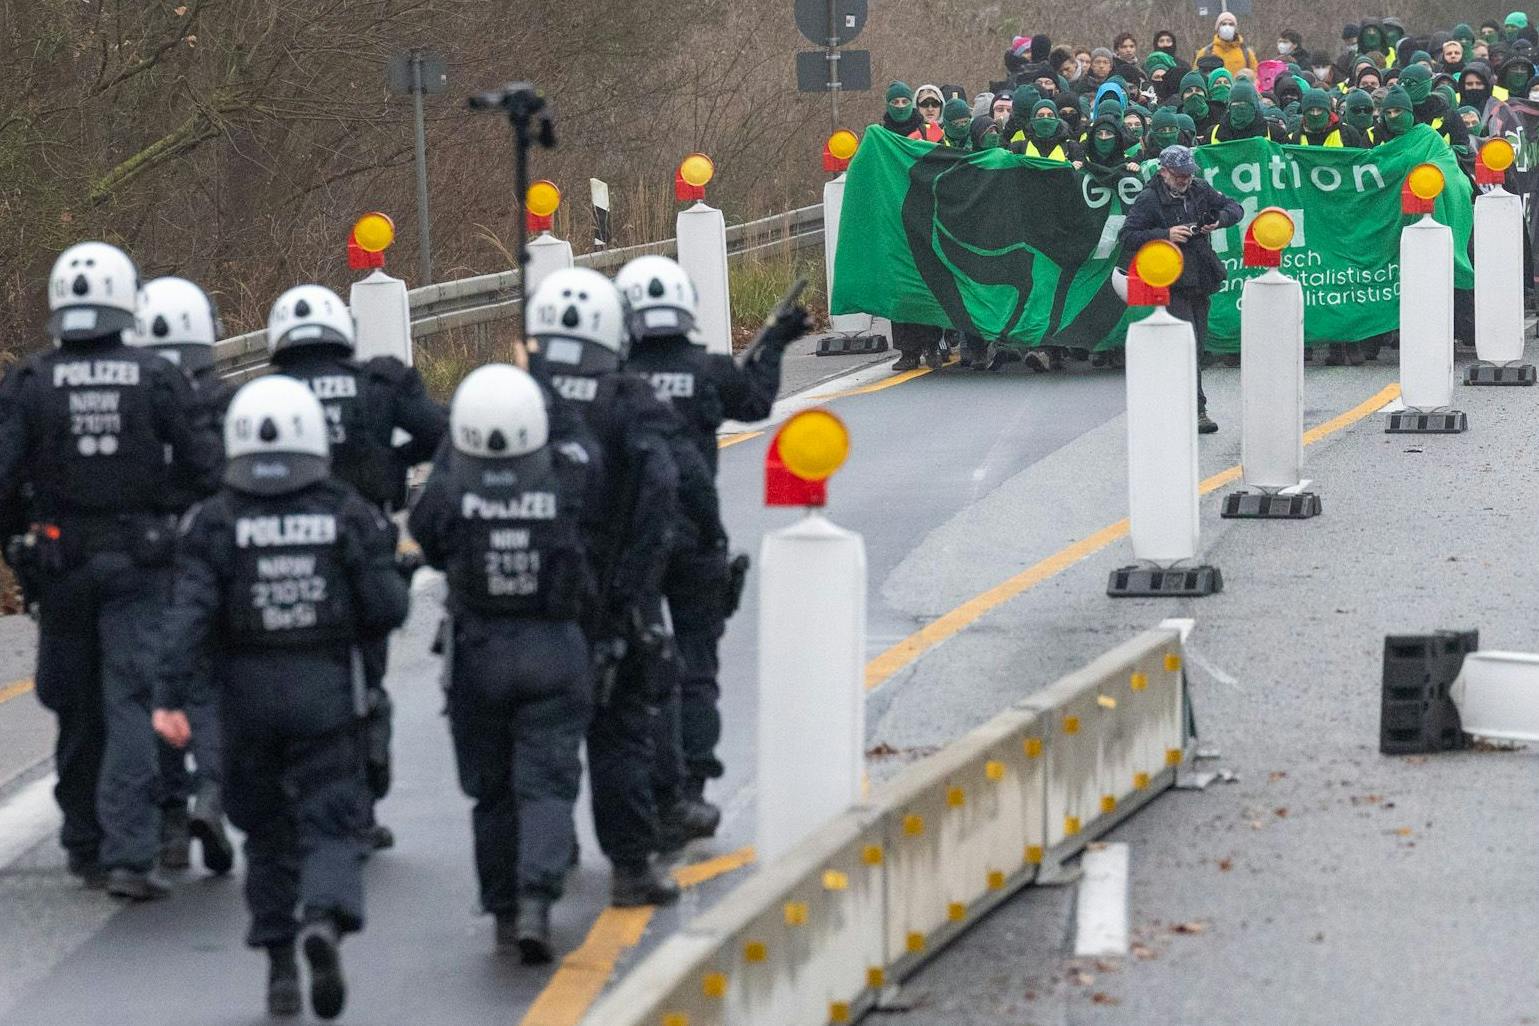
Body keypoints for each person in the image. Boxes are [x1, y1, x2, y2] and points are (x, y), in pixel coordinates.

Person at [153, 375, 409, 1019]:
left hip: (244, 707)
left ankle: (279, 968)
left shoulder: (213, 521)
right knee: (331, 820)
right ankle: (325, 919)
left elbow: (187, 616)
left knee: (266, 835)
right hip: (327, 698)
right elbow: (386, 607)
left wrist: (168, 697)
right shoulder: (343, 510)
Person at [0, 242, 222, 900]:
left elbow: (3, 481)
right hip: (140, 561)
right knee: (130, 699)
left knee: (74, 700)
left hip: (60, 561)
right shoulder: (155, 376)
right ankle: (130, 854)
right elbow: (204, 465)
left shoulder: (30, 382)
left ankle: (84, 841)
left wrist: (17, 546)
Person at [407, 364, 597, 963]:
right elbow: (595, 475)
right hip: (554, 648)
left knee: (491, 793)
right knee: (545, 783)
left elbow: (424, 531)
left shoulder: (454, 487)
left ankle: (503, 909)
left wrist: (450, 455)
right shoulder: (563, 476)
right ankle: (538, 901)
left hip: (478, 655)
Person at [617, 255, 807, 843]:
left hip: (633, 539)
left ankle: (658, 787)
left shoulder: (615, 380)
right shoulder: (708, 370)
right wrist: (774, 340)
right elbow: (754, 401)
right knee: (698, 667)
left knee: (642, 666)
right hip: (697, 531)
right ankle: (693, 786)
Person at [523, 266, 686, 907]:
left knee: (538, 741)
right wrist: (635, 595)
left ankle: (543, 860)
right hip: (611, 595)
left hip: (531, 604)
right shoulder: (628, 400)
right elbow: (664, 494)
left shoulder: (513, 396)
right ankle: (629, 868)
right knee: (619, 735)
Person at [266, 283, 447, 852]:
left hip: (281, 549)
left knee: (278, 674)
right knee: (365, 677)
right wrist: (394, 461)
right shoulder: (377, 383)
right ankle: (360, 808)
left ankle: (282, 804)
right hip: (365, 550)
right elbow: (441, 434)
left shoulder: (267, 394)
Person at [125, 276, 236, 877]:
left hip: (145, 559)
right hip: (209, 555)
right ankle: (211, 793)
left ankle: (170, 819)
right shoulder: (227, 402)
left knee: (157, 682)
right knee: (208, 681)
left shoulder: (132, 398)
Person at [1119, 146, 1243, 435]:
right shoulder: (1150, 199)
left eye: (1188, 174)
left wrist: (1217, 220)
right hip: (1171, 280)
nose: (1185, 179)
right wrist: (1166, 235)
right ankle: (1194, 410)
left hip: (1200, 275)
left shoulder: (1200, 189)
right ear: (1163, 172)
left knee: (1197, 346)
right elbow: (1128, 236)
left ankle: (1184, 405)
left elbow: (1234, 207)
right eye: (1179, 175)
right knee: (1184, 345)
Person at [1207, 77, 1283, 141]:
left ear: (1254, 106)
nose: (1240, 108)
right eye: (1235, 104)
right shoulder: (1213, 134)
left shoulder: (1274, 133)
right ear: (1229, 107)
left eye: (1245, 104)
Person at [1293, 87, 1363, 146]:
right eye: (1311, 110)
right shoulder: (1294, 138)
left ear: (1328, 112)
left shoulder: (1349, 134)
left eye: (1320, 110)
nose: (1315, 114)